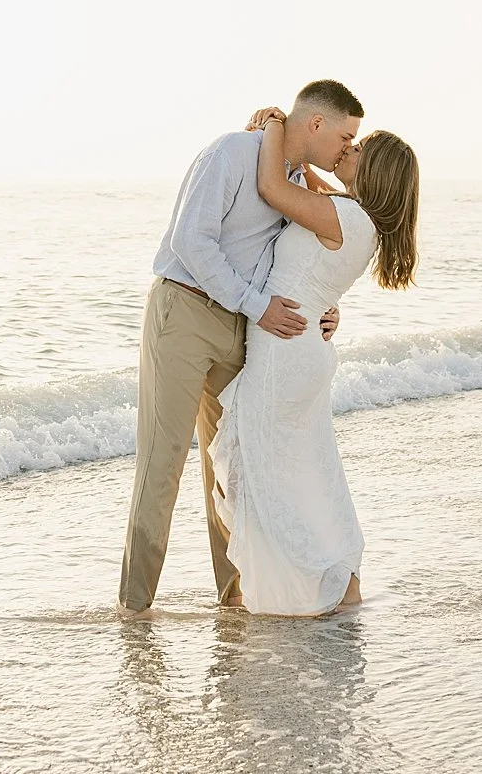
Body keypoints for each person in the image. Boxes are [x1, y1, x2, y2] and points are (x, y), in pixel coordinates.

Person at [118, 80, 364, 616]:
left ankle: (236, 601)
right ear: (316, 124)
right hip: (184, 311)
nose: (348, 148)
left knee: (232, 466)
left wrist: (327, 307)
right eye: (346, 137)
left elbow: (304, 261)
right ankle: (133, 610)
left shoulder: (293, 182)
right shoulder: (233, 151)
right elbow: (191, 241)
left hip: (245, 327)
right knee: (162, 468)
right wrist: (256, 306)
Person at [209, 106, 420, 616]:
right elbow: (303, 191)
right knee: (306, 474)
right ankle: (337, 580)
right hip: (303, 354)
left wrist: (276, 129)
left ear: (375, 173)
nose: (348, 149)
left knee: (267, 475)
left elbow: (273, 191)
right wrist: (298, 152)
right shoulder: (357, 220)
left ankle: (305, 586)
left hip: (286, 356)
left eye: (359, 149)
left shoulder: (344, 215)